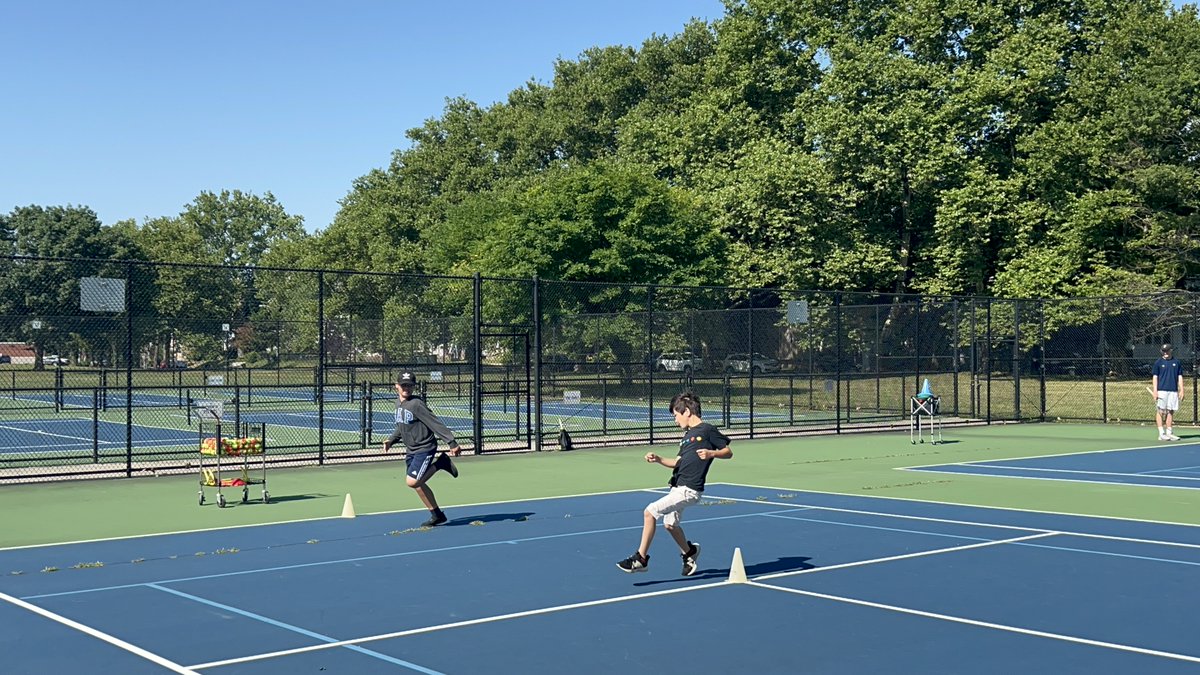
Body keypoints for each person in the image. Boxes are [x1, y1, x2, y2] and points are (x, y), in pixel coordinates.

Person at [617, 391, 732, 576]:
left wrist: (712, 454)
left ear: (687, 411)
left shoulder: (707, 430)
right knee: (670, 525)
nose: (675, 420)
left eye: (676, 415)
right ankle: (689, 552)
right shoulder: (686, 437)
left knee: (650, 512)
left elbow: (728, 452)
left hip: (689, 489)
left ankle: (640, 558)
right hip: (677, 487)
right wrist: (658, 459)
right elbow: (677, 462)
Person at [381, 372, 461, 526]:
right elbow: (402, 425)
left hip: (425, 447)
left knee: (412, 482)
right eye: (404, 385)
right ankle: (437, 515)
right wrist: (391, 440)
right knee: (417, 484)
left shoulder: (416, 404)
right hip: (411, 449)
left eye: (410, 385)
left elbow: (434, 423)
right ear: (396, 386)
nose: (407, 388)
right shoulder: (398, 403)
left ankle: (441, 463)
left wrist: (451, 442)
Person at [1152, 343, 1185, 441]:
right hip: (1162, 390)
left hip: (1173, 391)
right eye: (1164, 351)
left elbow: (1180, 377)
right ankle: (1161, 433)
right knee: (1160, 411)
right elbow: (1155, 377)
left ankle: (1169, 433)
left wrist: (1181, 390)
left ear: (1171, 351)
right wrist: (1155, 391)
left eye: (1167, 351)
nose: (1165, 353)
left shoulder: (1176, 362)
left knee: (1171, 411)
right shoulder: (1158, 362)